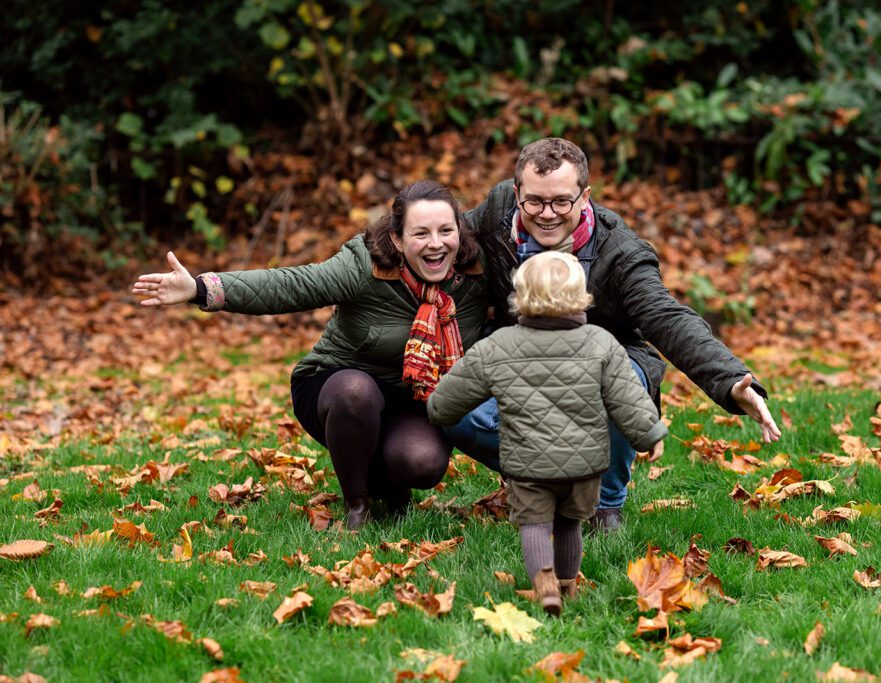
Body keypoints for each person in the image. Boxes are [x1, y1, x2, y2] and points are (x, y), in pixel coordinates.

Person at [446, 138, 781, 532]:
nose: (547, 214)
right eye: (534, 201)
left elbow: (666, 317)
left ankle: (605, 504)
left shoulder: (620, 251)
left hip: (604, 365)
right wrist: (373, 256)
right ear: (517, 192)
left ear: (585, 196)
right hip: (521, 357)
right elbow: (437, 235)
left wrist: (729, 381)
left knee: (619, 376)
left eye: (561, 202)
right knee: (452, 404)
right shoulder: (499, 210)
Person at [131, 180, 489, 530]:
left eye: (446, 231)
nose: (436, 244)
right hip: (340, 385)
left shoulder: (476, 271)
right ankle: (358, 504)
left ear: (460, 230)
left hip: (416, 398)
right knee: (355, 393)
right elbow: (292, 285)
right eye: (421, 234)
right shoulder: (364, 265)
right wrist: (199, 288)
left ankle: (388, 485)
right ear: (396, 238)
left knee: (421, 461)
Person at [427, 251, 667, 615]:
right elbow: (627, 397)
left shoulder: (499, 345)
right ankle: (568, 584)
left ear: (520, 297)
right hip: (585, 466)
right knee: (569, 523)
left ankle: (544, 584)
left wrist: (436, 409)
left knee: (535, 525)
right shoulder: (602, 343)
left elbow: (449, 398)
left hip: (527, 465)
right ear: (581, 296)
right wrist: (650, 434)